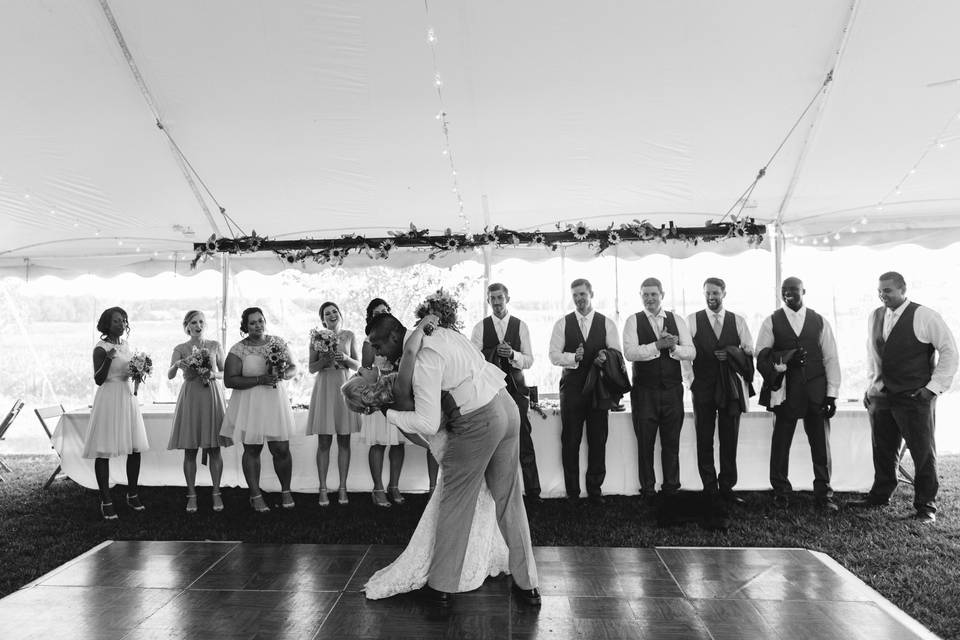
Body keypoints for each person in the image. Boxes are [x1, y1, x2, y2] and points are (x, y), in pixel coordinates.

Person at [367, 312, 540, 607]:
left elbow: (427, 422)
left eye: (378, 344)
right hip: (506, 405)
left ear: (395, 337)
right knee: (510, 499)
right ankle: (529, 586)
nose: (377, 352)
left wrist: (388, 413)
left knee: (454, 501)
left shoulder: (423, 358)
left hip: (479, 421)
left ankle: (441, 588)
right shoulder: (442, 332)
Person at [850, 272, 958, 523]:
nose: (882, 295)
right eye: (879, 291)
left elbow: (950, 352)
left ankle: (926, 506)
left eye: (887, 290)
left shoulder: (925, 315)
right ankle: (880, 494)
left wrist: (932, 388)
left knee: (922, 452)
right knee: (883, 449)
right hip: (880, 396)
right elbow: (872, 354)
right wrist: (870, 386)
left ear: (903, 289)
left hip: (914, 396)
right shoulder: (874, 316)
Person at [755, 277, 841, 511]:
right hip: (785, 392)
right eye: (784, 290)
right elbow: (761, 356)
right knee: (781, 445)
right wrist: (787, 357)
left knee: (821, 446)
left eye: (793, 289)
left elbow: (831, 358)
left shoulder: (819, 321)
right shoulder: (771, 321)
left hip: (816, 391)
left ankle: (824, 494)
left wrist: (832, 394)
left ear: (804, 291)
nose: (788, 293)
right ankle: (781, 491)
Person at [549, 278, 621, 504]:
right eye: (575, 295)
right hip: (571, 390)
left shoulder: (607, 323)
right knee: (571, 440)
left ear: (591, 294)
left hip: (598, 390)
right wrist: (573, 358)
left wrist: (605, 357)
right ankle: (572, 492)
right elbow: (553, 355)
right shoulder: (562, 324)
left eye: (582, 294)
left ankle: (595, 490)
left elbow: (617, 354)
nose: (579, 299)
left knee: (598, 439)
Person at [623, 277, 695, 503]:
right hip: (644, 392)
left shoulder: (677, 320)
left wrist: (673, 347)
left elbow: (691, 352)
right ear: (640, 296)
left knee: (671, 443)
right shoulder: (632, 321)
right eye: (645, 294)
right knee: (645, 444)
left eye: (653, 294)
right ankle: (647, 490)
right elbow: (630, 353)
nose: (649, 298)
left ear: (662, 295)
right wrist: (657, 346)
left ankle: (671, 488)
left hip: (673, 391)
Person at [684, 278, 754, 504]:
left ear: (724, 293)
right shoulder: (692, 320)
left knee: (729, 437)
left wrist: (733, 353)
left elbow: (749, 352)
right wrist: (691, 382)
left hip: (729, 386)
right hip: (702, 386)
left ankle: (727, 487)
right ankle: (709, 487)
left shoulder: (739, 321)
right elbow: (684, 354)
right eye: (707, 293)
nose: (711, 297)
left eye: (715, 293)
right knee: (704, 437)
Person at [470, 283, 541, 503]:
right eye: (493, 298)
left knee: (523, 439)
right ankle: (490, 493)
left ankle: (533, 492)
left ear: (507, 298)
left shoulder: (521, 326)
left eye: (500, 297)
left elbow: (528, 361)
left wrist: (513, 355)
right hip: (489, 393)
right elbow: (472, 362)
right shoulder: (480, 328)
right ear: (488, 301)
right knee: (490, 440)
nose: (497, 302)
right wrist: (491, 354)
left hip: (517, 391)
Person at [221, 307, 297, 512]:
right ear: (245, 326)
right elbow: (229, 380)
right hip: (250, 403)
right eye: (252, 322)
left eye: (260, 321)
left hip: (274, 402)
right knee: (252, 449)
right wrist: (259, 379)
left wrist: (283, 373)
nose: (257, 325)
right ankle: (255, 495)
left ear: (265, 321)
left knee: (281, 448)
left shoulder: (278, 343)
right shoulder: (239, 349)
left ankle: (286, 491)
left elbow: (293, 367)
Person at [82, 306, 150, 520]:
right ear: (106, 324)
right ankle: (106, 499)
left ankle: (132, 493)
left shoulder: (127, 345)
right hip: (109, 397)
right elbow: (98, 379)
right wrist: (109, 358)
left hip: (127, 396)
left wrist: (139, 372)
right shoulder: (101, 348)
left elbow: (128, 373)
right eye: (116, 321)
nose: (121, 324)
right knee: (104, 449)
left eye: (123, 320)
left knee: (134, 447)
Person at [166, 310, 231, 513]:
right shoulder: (180, 348)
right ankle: (192, 495)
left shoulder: (214, 345)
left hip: (211, 394)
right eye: (194, 322)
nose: (198, 325)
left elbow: (225, 372)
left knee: (214, 448)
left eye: (201, 321)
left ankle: (216, 492)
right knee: (190, 448)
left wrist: (213, 374)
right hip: (191, 396)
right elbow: (169, 375)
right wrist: (177, 364)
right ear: (187, 325)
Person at [306, 301, 360, 506]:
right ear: (322, 319)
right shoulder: (316, 337)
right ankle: (322, 488)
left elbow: (357, 365)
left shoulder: (349, 335)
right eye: (327, 313)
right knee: (324, 441)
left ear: (340, 314)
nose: (331, 315)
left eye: (334, 311)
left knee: (344, 441)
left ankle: (343, 487)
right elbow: (311, 368)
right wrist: (325, 360)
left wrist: (345, 357)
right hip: (325, 387)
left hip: (344, 386)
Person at [358, 298, 407, 508]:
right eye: (377, 312)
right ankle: (378, 487)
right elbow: (367, 367)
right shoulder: (369, 341)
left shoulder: (398, 339)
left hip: (396, 389)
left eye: (385, 311)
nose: (381, 314)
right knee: (378, 442)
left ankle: (394, 486)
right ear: (371, 317)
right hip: (378, 390)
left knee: (399, 442)